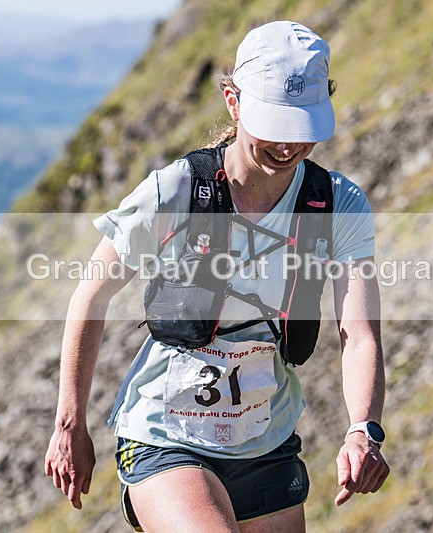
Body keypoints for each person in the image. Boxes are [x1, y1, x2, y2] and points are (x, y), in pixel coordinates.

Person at [44, 20, 389, 532]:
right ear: (233, 101)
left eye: (304, 127)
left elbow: (358, 333)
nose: (289, 146)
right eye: (274, 123)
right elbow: (92, 293)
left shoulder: (337, 205)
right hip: (166, 435)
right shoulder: (176, 191)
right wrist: (71, 423)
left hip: (266, 442)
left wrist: (364, 430)